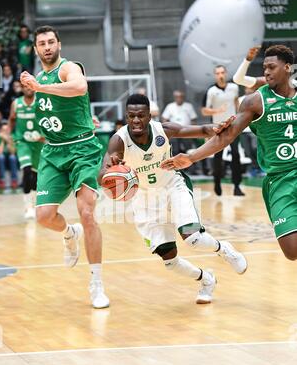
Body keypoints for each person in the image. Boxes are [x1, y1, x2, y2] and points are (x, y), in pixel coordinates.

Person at [98, 94, 247, 304]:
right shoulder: (118, 140)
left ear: (149, 116)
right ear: (127, 117)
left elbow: (202, 130)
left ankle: (225, 250)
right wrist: (108, 168)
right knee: (170, 261)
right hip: (145, 198)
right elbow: (102, 175)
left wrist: (218, 125)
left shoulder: (163, 130)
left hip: (172, 185)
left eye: (141, 115)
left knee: (193, 238)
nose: (136, 120)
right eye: (131, 116)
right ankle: (206, 279)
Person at [162, 45, 297, 262]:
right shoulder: (254, 101)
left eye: (272, 67)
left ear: (288, 67)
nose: (267, 72)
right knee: (292, 251)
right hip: (280, 180)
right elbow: (225, 137)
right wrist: (191, 157)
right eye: (264, 68)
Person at [20, 25, 109, 308]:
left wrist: (39, 87)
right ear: (35, 49)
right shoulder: (38, 79)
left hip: (82, 149)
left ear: (59, 44)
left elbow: (79, 87)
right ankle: (69, 234)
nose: (46, 47)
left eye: (50, 42)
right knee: (44, 216)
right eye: (41, 44)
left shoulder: (68, 68)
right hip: (52, 152)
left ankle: (96, 283)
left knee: (87, 212)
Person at [201, 65, 244, 196]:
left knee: (236, 155)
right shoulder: (211, 90)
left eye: (222, 72)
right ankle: (217, 183)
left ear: (226, 74)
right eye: (218, 73)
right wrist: (217, 111)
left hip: (233, 127)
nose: (220, 75)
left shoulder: (234, 88)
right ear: (215, 75)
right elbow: (204, 110)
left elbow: (237, 104)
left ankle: (237, 186)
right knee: (218, 157)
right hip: (218, 128)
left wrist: (240, 117)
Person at [8, 86, 44, 219]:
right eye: (25, 87)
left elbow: (47, 118)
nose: (28, 89)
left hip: (37, 142)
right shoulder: (16, 103)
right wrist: (10, 137)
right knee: (27, 170)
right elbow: (11, 119)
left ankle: (33, 205)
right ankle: (27, 206)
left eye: (30, 87)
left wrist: (44, 135)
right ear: (22, 89)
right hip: (22, 142)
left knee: (35, 175)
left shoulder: (40, 102)